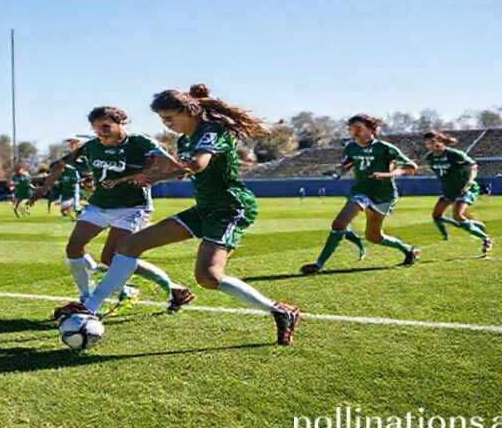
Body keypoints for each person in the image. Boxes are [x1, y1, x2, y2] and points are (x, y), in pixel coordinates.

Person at [53, 85, 300, 346]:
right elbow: (181, 170)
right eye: (162, 120)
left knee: (208, 278)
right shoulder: (184, 140)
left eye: (170, 118)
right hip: (203, 209)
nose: (167, 124)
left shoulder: (211, 132)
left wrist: (152, 177)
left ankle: (280, 310)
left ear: (190, 110)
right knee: (129, 245)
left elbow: (196, 165)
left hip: (229, 209)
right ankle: (91, 306)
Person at [29, 106, 195, 313]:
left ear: (120, 123)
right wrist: (42, 189)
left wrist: (150, 176)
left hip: (132, 208)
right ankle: (86, 299)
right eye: (96, 128)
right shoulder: (92, 146)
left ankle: (171, 288)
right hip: (99, 205)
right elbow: (59, 165)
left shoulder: (140, 143)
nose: (100, 132)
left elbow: (178, 169)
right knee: (73, 248)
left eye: (105, 126)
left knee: (112, 258)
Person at [301, 114, 418, 275]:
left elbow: (411, 167)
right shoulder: (351, 147)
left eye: (358, 129)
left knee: (374, 237)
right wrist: (338, 171)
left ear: (371, 129)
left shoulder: (385, 148)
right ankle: (318, 264)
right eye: (350, 129)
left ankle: (408, 250)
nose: (353, 132)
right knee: (339, 223)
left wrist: (389, 175)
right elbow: (347, 165)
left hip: (384, 194)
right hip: (362, 191)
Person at [424, 131, 493, 256]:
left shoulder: (454, 154)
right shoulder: (430, 157)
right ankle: (447, 236)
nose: (431, 145)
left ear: (440, 141)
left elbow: (473, 166)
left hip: (464, 189)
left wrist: (470, 181)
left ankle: (486, 238)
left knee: (457, 215)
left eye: (433, 142)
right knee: (436, 216)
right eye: (428, 143)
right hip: (449, 191)